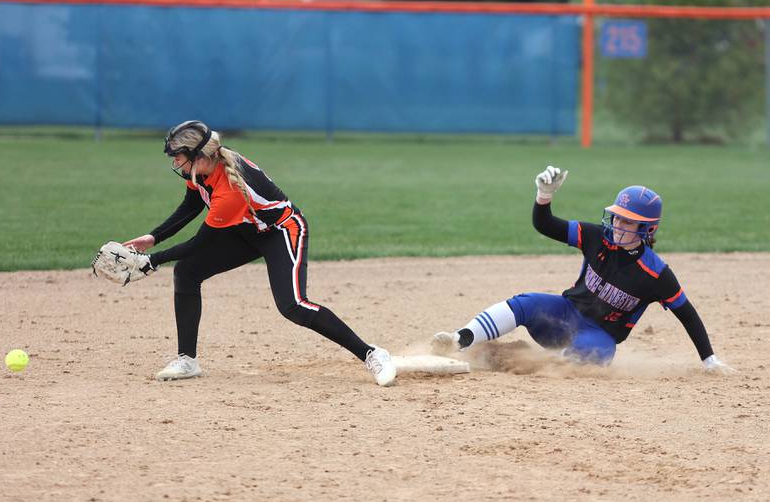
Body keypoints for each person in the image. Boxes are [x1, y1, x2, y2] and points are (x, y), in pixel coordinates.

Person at [122, 120, 396, 386]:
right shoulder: (202, 170)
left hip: (280, 231)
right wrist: (153, 238)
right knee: (187, 271)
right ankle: (187, 360)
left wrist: (151, 261)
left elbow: (200, 243)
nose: (175, 163)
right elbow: (191, 205)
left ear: (198, 156)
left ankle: (372, 353)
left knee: (293, 306)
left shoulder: (229, 189)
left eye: (178, 157)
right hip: (245, 231)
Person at [433, 165, 735, 373]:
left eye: (628, 221)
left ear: (647, 229)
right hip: (563, 313)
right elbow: (545, 224)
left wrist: (709, 360)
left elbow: (687, 314)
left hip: (599, 335)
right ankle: (462, 338)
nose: (618, 224)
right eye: (617, 217)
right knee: (524, 303)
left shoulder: (655, 273)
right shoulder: (596, 237)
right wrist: (544, 197)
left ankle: (521, 360)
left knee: (589, 356)